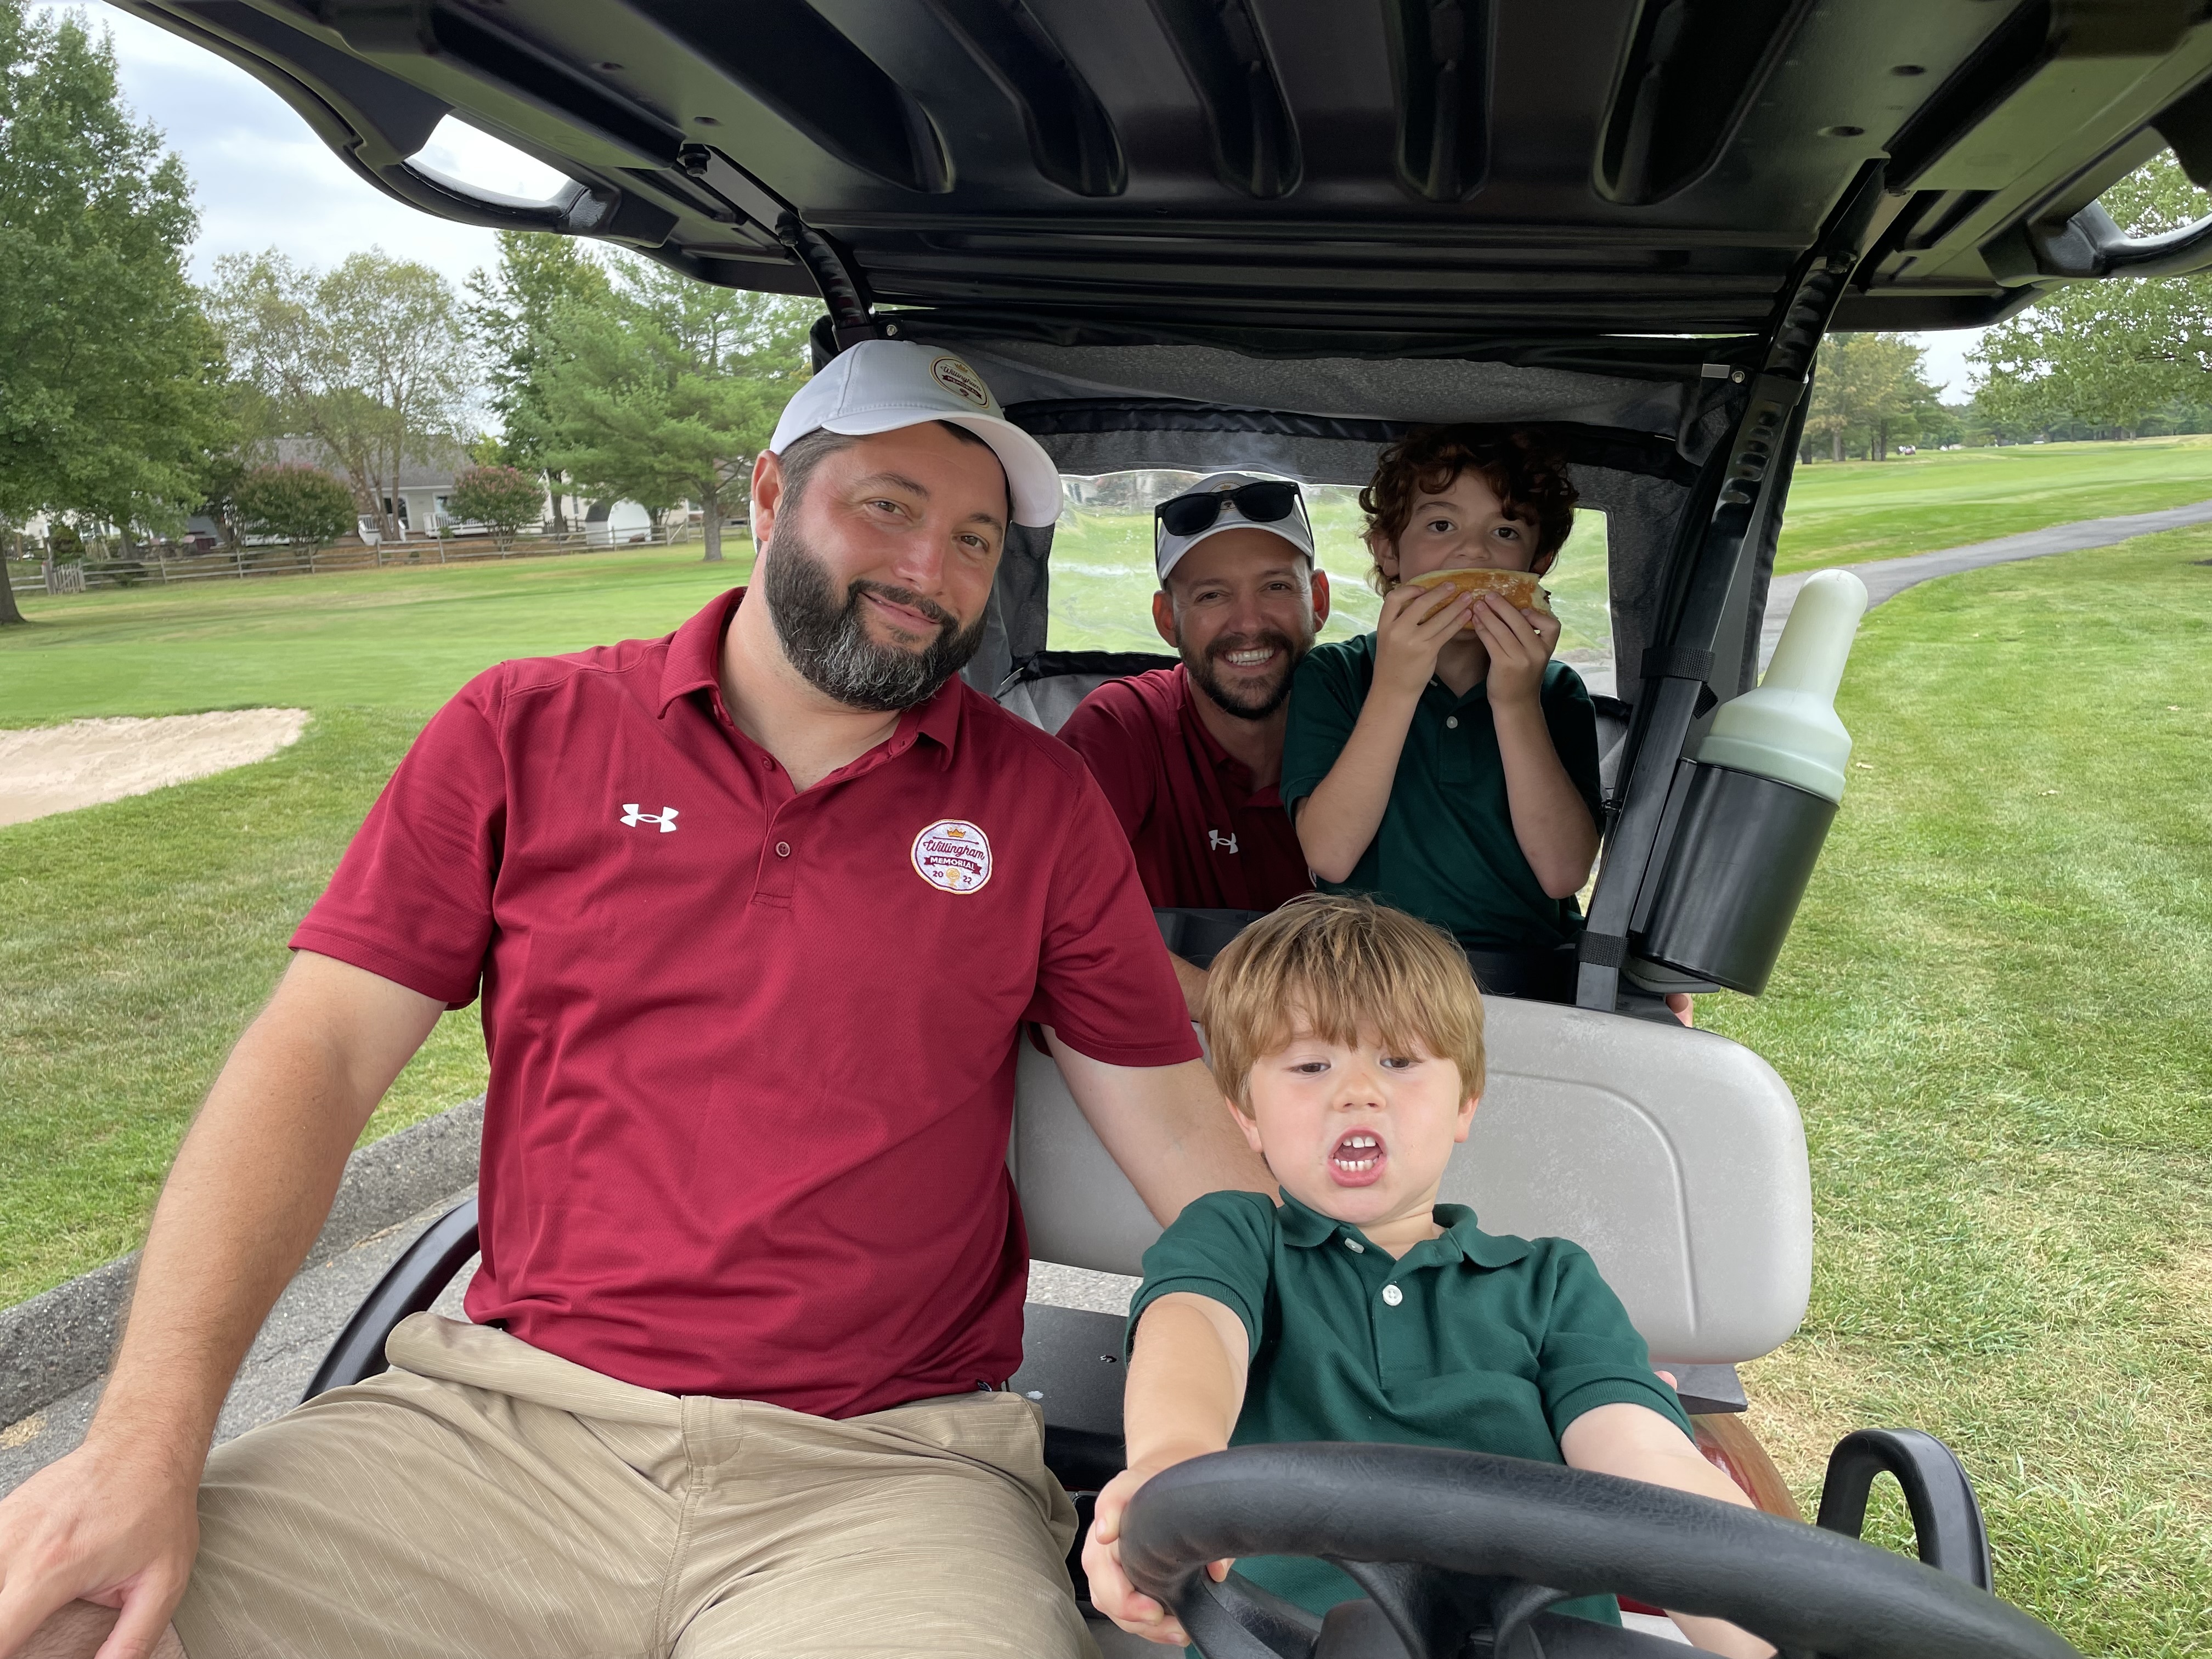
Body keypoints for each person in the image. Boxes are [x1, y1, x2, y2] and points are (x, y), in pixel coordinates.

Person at [0, 340, 1272, 1659]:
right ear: (772, 497)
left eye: (973, 539)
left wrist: (1310, 1364)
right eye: (887, 507)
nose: (929, 568)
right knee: (69, 1624)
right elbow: (315, 1060)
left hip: (886, 1478)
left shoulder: (1038, 802)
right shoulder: (523, 729)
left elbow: (1183, 1139)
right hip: (495, 1436)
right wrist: (141, 1447)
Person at [1079, 895, 1769, 1656]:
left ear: (1465, 1103)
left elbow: (1642, 1457)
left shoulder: (1551, 1284)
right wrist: (1171, 1462)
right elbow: (1195, 1330)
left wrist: (1772, 1624)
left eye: (1399, 1062)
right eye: (1310, 1066)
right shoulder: (1237, 1238)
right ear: (1246, 1115)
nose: (1357, 1092)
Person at [1282, 426, 1602, 1006]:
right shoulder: (1334, 676)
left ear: (1539, 563)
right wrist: (1396, 687)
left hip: (1522, 977)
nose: (1473, 553)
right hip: (1366, 977)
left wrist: (1516, 702)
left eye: (1505, 532)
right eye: (1440, 526)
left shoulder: (1557, 693)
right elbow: (1329, 854)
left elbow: (1562, 873)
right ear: (1387, 550)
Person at [1058, 473, 1328, 1016]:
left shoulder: (1372, 728)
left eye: (1276, 587)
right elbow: (1053, 917)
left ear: (1318, 600)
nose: (1248, 623)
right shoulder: (1123, 726)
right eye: (1211, 596)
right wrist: (1249, 1015)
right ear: (1167, 621)